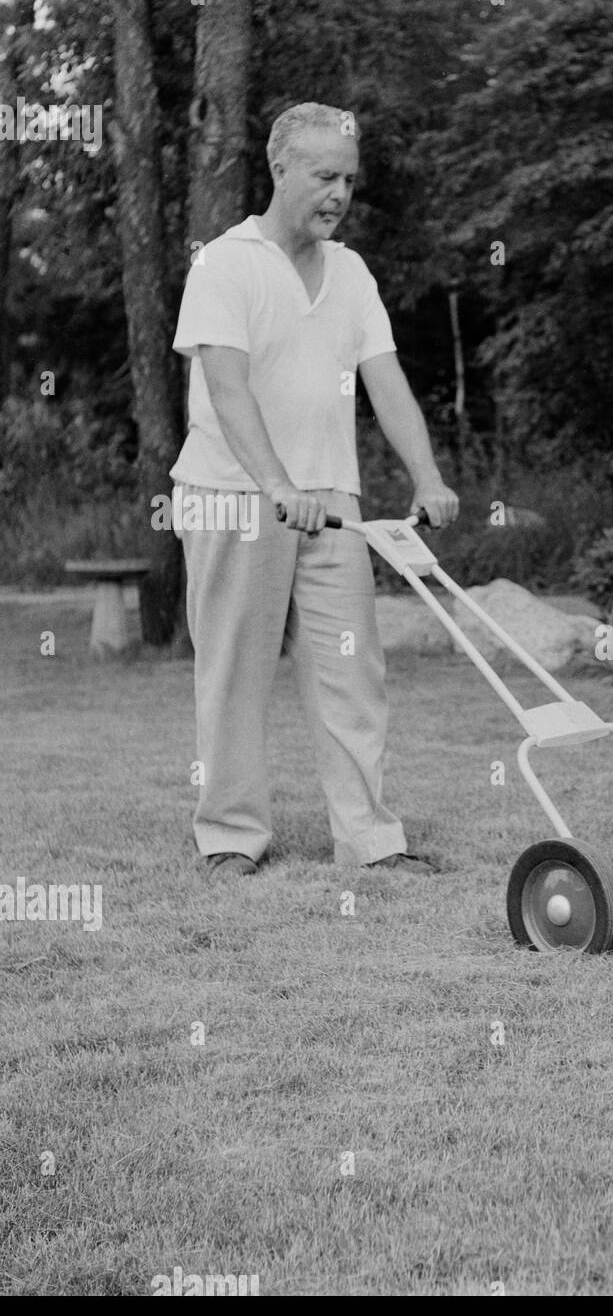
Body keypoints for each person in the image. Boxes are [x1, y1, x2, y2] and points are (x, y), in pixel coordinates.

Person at [171, 101, 458, 878]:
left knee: (352, 669)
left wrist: (426, 476)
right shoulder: (224, 265)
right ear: (280, 170)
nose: (338, 193)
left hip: (334, 504)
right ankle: (230, 835)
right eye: (324, 175)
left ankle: (368, 840)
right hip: (232, 494)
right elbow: (226, 388)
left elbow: (386, 381)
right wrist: (276, 485)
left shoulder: (353, 272)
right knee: (234, 670)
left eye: (349, 180)